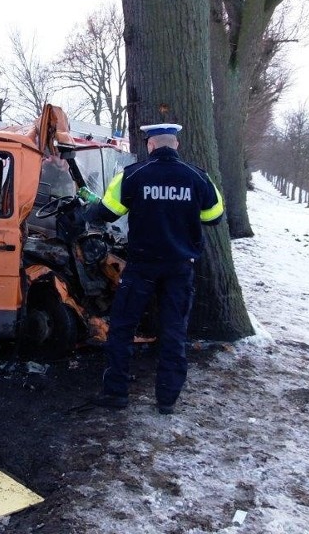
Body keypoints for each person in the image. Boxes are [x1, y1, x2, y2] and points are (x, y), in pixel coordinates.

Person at [85, 123, 224, 414]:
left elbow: (106, 213)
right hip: (180, 267)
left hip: (142, 266)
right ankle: (167, 399)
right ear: (176, 145)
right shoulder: (198, 177)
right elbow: (215, 217)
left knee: (122, 327)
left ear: (150, 145)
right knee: (174, 331)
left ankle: (116, 392)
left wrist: (89, 206)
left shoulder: (133, 175)